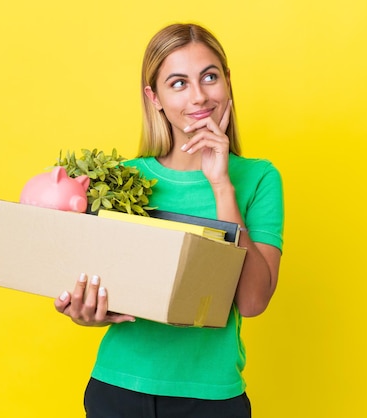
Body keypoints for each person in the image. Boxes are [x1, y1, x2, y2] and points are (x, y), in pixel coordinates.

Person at [54, 22, 284, 418]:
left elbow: (252, 302)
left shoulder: (259, 178)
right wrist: (85, 310)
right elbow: (99, 284)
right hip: (116, 388)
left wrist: (222, 187)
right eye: (178, 83)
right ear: (154, 97)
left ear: (227, 82)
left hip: (210, 398)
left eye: (209, 77)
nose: (198, 97)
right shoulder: (122, 180)